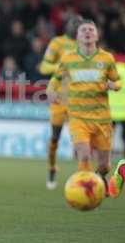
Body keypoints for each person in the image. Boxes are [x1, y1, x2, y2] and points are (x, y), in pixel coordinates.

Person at [46, 19, 121, 193]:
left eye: (91, 29)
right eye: (83, 30)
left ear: (97, 34)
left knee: (105, 166)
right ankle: (86, 193)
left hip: (102, 119)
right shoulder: (68, 58)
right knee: (84, 156)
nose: (87, 32)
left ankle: (98, 177)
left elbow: (118, 82)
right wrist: (50, 91)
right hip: (78, 118)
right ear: (77, 36)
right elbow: (55, 79)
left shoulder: (107, 58)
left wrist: (112, 85)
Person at [39, 15, 82, 189]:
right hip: (59, 98)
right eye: (74, 25)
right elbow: (43, 67)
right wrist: (62, 67)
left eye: (79, 26)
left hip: (79, 98)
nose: (76, 28)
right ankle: (51, 168)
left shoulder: (86, 46)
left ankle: (82, 177)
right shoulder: (57, 43)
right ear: (67, 26)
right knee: (55, 137)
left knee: (81, 139)